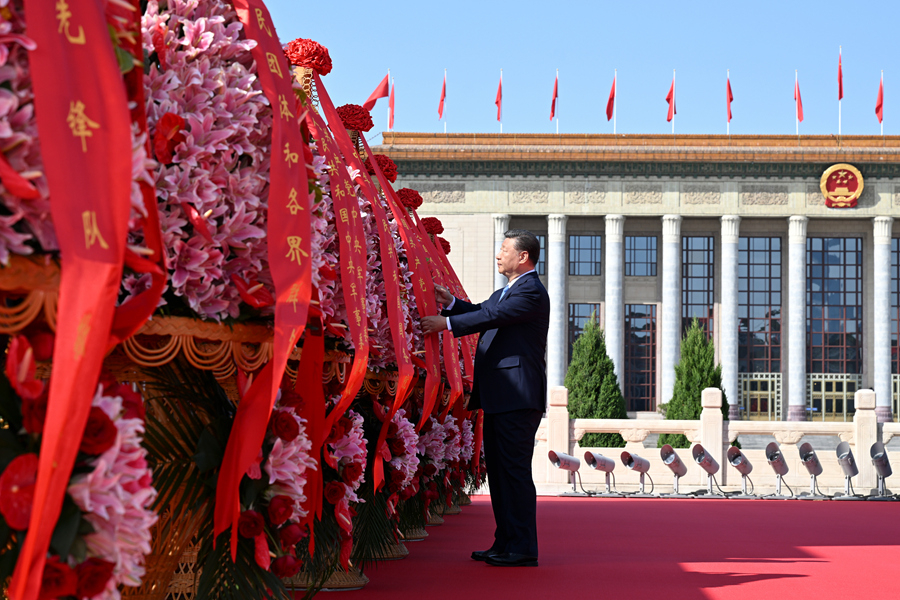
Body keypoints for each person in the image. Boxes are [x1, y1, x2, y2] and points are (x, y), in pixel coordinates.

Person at [421, 229, 550, 567]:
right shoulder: (505, 292)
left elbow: (492, 317)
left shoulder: (531, 292)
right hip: (500, 396)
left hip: (517, 397)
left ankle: (522, 547)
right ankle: (505, 541)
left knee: (514, 472)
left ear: (523, 256)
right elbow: (481, 310)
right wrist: (451, 303)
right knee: (501, 472)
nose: (498, 255)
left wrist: (446, 323)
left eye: (504, 249)